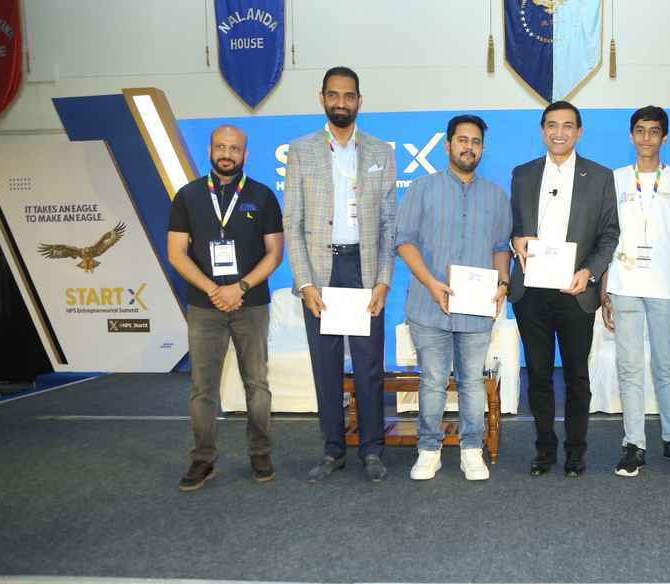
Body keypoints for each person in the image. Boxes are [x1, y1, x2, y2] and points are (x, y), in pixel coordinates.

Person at [284, 66, 396, 483]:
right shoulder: (301, 150)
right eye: (334, 95)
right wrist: (305, 283)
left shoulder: (381, 152)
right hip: (320, 273)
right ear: (322, 99)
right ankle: (333, 450)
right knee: (325, 365)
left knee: (369, 367)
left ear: (359, 101)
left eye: (349, 96)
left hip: (363, 270)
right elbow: (292, 222)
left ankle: (372, 449)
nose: (341, 103)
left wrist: (383, 279)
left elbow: (389, 224)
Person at [395, 115, 513, 481]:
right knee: (432, 381)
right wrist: (431, 283)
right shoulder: (422, 189)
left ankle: (471, 449)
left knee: (471, 382)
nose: (469, 147)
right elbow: (404, 241)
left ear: (482, 149)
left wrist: (503, 282)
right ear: (447, 145)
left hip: (476, 310)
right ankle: (429, 450)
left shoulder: (496, 196)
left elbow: (500, 247)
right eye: (462, 140)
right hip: (428, 305)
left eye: (476, 142)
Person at [167, 124, 284, 491]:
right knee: (202, 388)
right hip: (204, 306)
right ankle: (202, 458)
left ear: (245, 154)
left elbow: (274, 253)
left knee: (257, 383)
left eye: (234, 148)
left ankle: (260, 452)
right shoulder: (187, 196)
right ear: (210, 150)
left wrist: (240, 287)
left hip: (251, 304)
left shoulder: (263, 196)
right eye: (221, 147)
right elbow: (176, 253)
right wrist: (214, 290)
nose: (227, 154)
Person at [508, 100, 620, 478]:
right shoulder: (522, 174)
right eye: (552, 125)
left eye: (567, 126)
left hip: (576, 291)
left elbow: (609, 235)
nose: (559, 133)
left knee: (576, 376)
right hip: (531, 292)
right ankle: (544, 449)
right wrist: (515, 241)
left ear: (579, 132)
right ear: (542, 131)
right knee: (538, 375)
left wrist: (589, 272)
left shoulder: (600, 177)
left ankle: (576, 450)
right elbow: (512, 227)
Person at [599, 106, 670, 477]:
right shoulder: (614, 179)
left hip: (665, 289)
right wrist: (604, 292)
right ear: (631, 136)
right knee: (629, 368)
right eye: (640, 130)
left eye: (654, 131)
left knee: (666, 366)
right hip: (623, 286)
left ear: (664, 137)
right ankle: (634, 443)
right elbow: (606, 238)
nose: (646, 138)